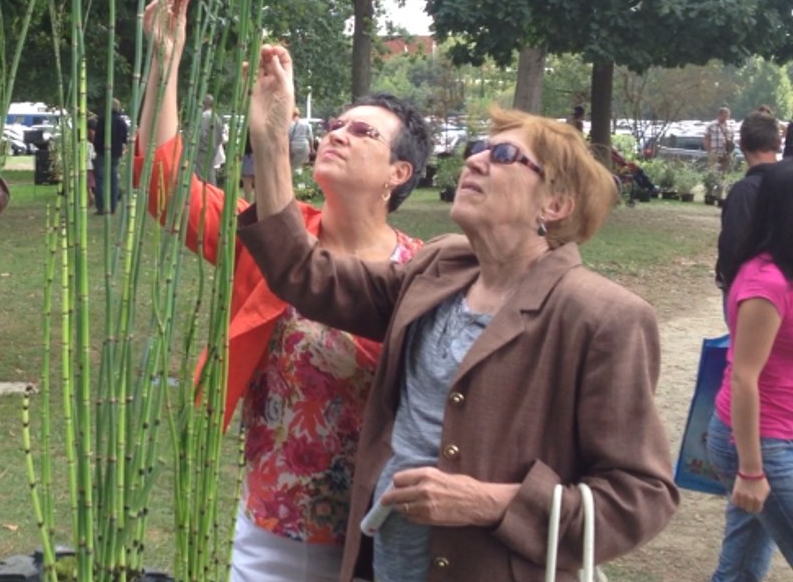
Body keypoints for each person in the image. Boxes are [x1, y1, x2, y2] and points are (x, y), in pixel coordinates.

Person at [238, 43, 678, 582]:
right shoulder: (439, 267)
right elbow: (305, 275)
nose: (473, 159)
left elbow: (643, 496)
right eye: (478, 147)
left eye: (504, 156)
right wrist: (270, 139)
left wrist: (491, 502)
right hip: (385, 567)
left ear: (555, 205)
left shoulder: (600, 317)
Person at [133, 0, 431, 582]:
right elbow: (163, 187)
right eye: (336, 124)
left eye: (363, 132)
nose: (338, 133)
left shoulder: (422, 272)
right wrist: (165, 60)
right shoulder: (272, 238)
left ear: (398, 173)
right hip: (276, 526)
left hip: (382, 534)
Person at [707, 159, 793, 580]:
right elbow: (745, 378)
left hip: (779, 433)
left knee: (742, 565)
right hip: (762, 442)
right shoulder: (767, 282)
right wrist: (752, 469)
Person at [716, 112, 782, 304]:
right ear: (778, 143)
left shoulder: (745, 191)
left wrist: (730, 284)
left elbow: (733, 243)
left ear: (742, 144)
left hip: (752, 292)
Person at [93, 98, 129, 215]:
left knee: (100, 179)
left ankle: (102, 206)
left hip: (102, 153)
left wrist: (97, 148)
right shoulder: (121, 122)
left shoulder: (103, 120)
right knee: (113, 179)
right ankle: (112, 206)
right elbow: (125, 138)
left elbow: (97, 137)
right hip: (115, 154)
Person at [194, 94, 225, 182]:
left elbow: (200, 134)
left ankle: (204, 192)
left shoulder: (204, 116)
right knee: (210, 172)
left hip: (202, 150)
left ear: (205, 103)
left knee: (200, 173)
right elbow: (220, 135)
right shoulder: (216, 117)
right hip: (213, 149)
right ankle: (212, 190)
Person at [705, 106, 735, 174]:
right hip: (715, 153)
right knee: (713, 172)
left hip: (726, 154)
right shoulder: (711, 125)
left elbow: (732, 138)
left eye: (727, 116)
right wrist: (709, 151)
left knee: (725, 172)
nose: (726, 118)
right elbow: (706, 139)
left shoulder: (730, 126)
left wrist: (730, 148)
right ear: (719, 115)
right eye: (724, 116)